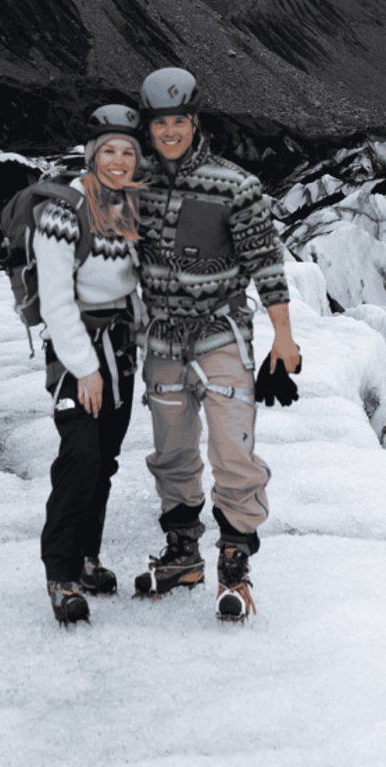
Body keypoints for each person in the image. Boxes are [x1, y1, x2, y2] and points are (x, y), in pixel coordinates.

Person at [131, 67, 298, 623]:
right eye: (160, 123)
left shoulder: (235, 185)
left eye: (178, 121)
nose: (169, 132)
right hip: (162, 338)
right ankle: (183, 555)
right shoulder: (137, 185)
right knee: (173, 451)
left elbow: (265, 262)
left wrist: (283, 335)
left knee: (233, 450)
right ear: (149, 126)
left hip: (220, 334)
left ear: (195, 121)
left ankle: (234, 561)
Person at [37, 103, 147, 625]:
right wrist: (85, 369)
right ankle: (60, 573)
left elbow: (137, 287)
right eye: (109, 151)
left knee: (103, 460)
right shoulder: (63, 213)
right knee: (79, 456)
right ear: (91, 155)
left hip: (120, 349)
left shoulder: (132, 208)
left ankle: (86, 559)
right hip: (77, 354)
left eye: (128, 152)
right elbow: (56, 301)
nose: (119, 160)